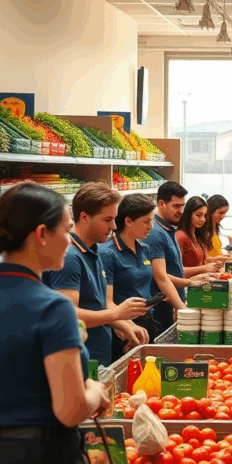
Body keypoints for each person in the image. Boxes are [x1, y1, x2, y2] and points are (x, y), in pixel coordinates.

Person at [0, 183, 111, 463]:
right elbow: (71, 410)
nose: (70, 240)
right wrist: (95, 392)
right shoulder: (53, 307)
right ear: (41, 234)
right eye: (65, 229)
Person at [44, 182, 148, 367]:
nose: (114, 226)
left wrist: (125, 325)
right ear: (84, 217)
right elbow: (68, 315)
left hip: (98, 358)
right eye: (107, 220)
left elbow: (98, 304)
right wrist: (116, 314)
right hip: (78, 363)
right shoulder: (70, 258)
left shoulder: (94, 250)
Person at [102, 195, 162, 360]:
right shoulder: (107, 253)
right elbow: (106, 301)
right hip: (122, 329)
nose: (151, 226)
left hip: (146, 323)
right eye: (146, 221)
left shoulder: (144, 248)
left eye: (152, 221)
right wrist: (128, 328)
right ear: (128, 221)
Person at [145, 182, 209, 333]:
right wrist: (181, 306)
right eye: (176, 206)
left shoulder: (168, 229)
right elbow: (160, 277)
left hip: (172, 302)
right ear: (161, 204)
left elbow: (174, 269)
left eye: (182, 206)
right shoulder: (155, 233)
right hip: (162, 305)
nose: (180, 211)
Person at [176, 197, 224, 272]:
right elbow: (176, 271)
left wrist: (217, 262)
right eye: (198, 215)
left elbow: (203, 259)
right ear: (189, 214)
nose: (202, 219)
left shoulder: (198, 235)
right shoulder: (181, 236)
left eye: (205, 216)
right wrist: (204, 268)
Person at [205, 194, 232, 259]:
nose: (223, 216)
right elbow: (204, 258)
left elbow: (216, 253)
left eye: (225, 213)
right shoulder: (203, 230)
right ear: (211, 211)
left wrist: (227, 255)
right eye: (220, 213)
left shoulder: (215, 228)